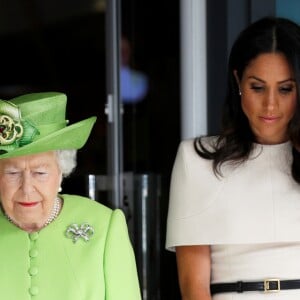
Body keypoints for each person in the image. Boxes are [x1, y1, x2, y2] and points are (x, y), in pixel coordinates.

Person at [166, 16, 300, 299]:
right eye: (257, 87)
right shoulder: (197, 161)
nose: (271, 104)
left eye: (285, 88)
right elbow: (193, 286)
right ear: (238, 80)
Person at [0, 91, 141, 299]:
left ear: (61, 173)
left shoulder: (105, 227)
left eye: (40, 173)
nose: (27, 188)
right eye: (12, 173)